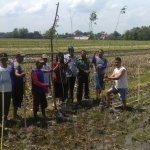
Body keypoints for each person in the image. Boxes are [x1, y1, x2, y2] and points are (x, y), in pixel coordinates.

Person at [11, 51, 26, 119]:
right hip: (16, 85)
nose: (22, 58)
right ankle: (14, 115)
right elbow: (16, 73)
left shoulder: (17, 63)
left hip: (18, 84)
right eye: (21, 57)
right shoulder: (16, 64)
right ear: (17, 57)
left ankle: (15, 114)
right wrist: (20, 75)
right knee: (16, 99)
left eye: (23, 57)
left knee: (17, 99)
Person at [0, 53, 12, 122]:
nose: (3, 61)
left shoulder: (9, 68)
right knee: (0, 105)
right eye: (2, 59)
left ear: (6, 59)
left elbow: (12, 78)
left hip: (8, 89)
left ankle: (5, 118)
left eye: (4, 59)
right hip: (0, 90)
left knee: (7, 105)